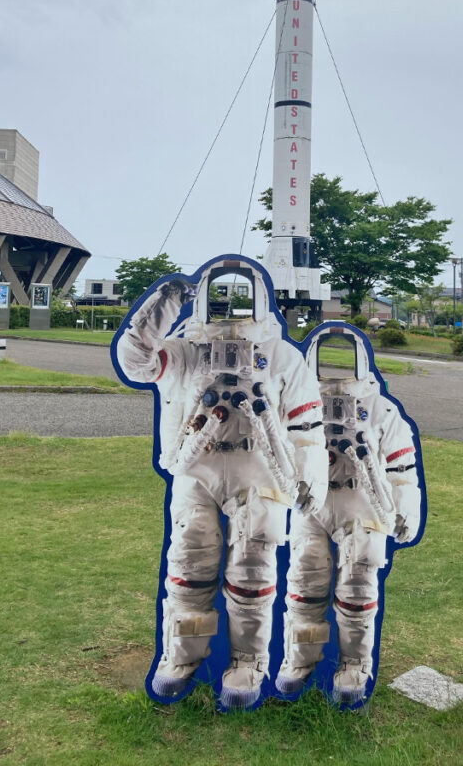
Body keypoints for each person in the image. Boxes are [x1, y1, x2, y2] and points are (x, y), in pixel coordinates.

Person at [113, 255, 328, 709]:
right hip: (197, 466)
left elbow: (306, 426)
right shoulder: (185, 349)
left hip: (261, 470)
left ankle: (248, 662)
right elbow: (136, 362)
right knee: (190, 563)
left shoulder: (281, 355)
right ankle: (182, 657)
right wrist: (164, 304)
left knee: (253, 567)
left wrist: (310, 477)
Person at [276, 322, 424, 705]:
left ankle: (355, 666)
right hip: (313, 503)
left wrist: (405, 511)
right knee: (305, 585)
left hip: (363, 502)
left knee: (358, 588)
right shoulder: (298, 400)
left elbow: (401, 468)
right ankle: (301, 659)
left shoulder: (378, 408)